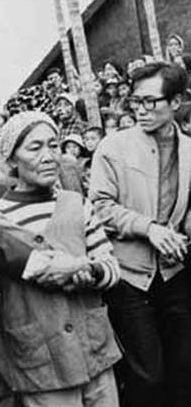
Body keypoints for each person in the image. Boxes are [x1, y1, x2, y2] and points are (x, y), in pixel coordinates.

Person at [0, 111, 121, 407]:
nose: (48, 156)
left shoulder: (77, 203)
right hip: (40, 362)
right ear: (11, 159)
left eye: (54, 145)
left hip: (93, 352)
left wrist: (91, 271)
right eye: (34, 148)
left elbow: (111, 267)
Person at [90, 61, 191, 407]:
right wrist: (148, 228)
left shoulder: (190, 150)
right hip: (130, 277)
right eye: (136, 101)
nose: (142, 110)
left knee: (184, 372)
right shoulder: (112, 147)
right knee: (148, 375)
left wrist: (182, 236)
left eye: (152, 101)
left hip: (176, 273)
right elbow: (100, 208)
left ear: (176, 102)